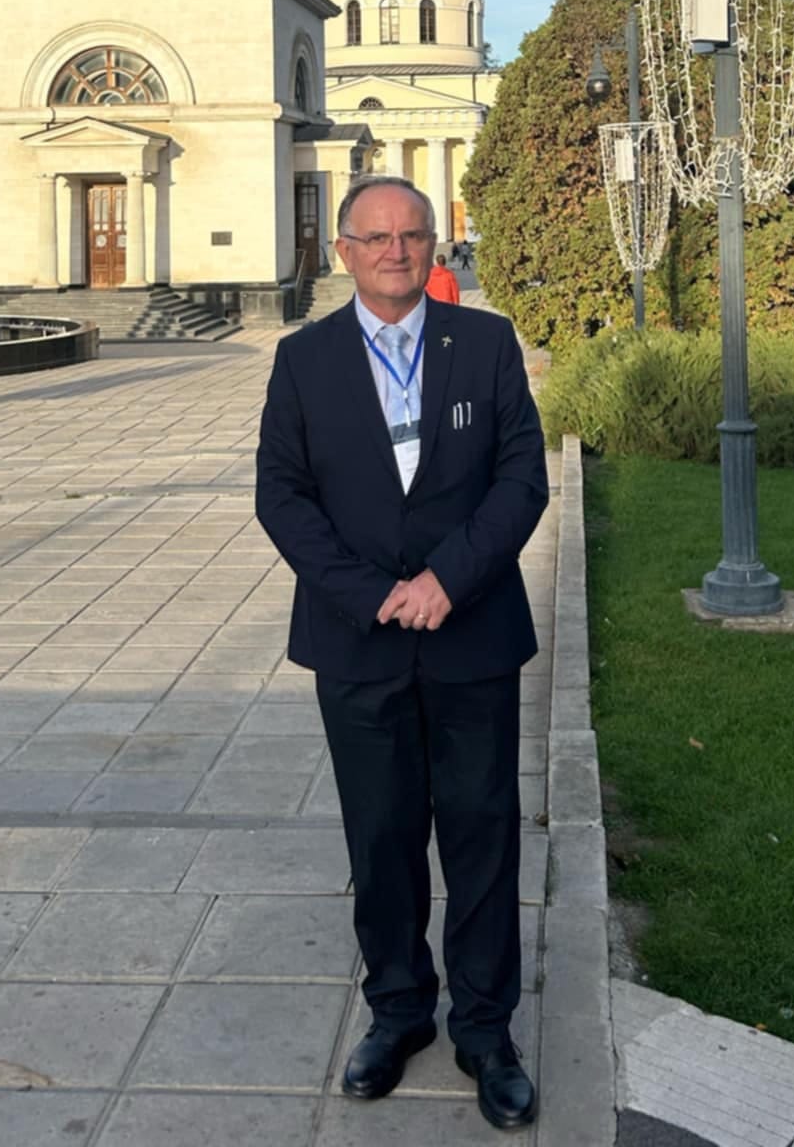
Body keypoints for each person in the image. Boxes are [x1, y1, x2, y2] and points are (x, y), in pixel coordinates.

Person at [256, 174, 547, 1130]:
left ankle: (486, 1031)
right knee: (379, 839)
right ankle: (397, 1011)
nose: (395, 251)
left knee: (481, 835)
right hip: (358, 643)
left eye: (412, 235)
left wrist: (446, 581)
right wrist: (370, 593)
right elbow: (282, 496)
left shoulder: (486, 344)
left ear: (434, 246)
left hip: (471, 636)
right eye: (376, 237)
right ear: (345, 252)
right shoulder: (304, 360)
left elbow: (521, 479)